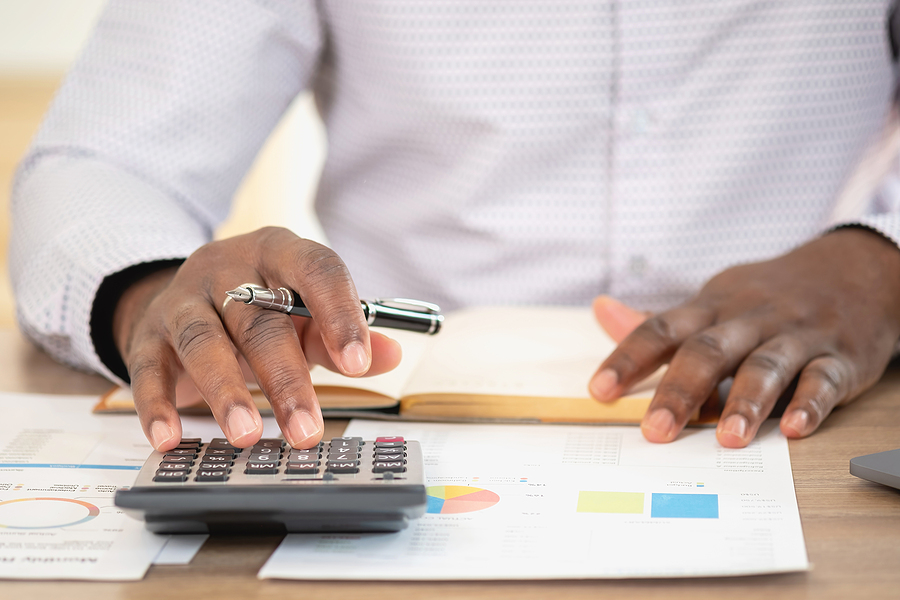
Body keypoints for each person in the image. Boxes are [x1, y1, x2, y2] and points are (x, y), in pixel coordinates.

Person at [10, 1, 900, 453]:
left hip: (836, 406)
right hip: (391, 418)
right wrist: (152, 297)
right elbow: (103, 162)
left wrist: (882, 254)